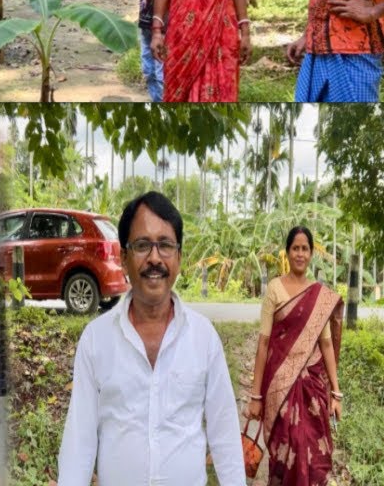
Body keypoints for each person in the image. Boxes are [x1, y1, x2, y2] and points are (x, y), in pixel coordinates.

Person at [57, 191, 245, 486]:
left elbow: (224, 432)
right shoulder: (96, 340)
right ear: (123, 257)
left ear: (179, 257)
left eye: (166, 245)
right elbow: (80, 438)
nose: (155, 258)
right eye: (143, 245)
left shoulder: (203, 338)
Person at [246, 226, 344, 485]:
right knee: (284, 451)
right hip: (279, 387)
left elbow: (326, 345)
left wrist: (336, 393)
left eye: (305, 249)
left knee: (310, 450)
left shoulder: (318, 296)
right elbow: (264, 342)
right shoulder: (275, 289)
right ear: (287, 252)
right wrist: (256, 396)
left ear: (311, 253)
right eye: (295, 248)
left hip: (311, 389)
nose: (300, 254)